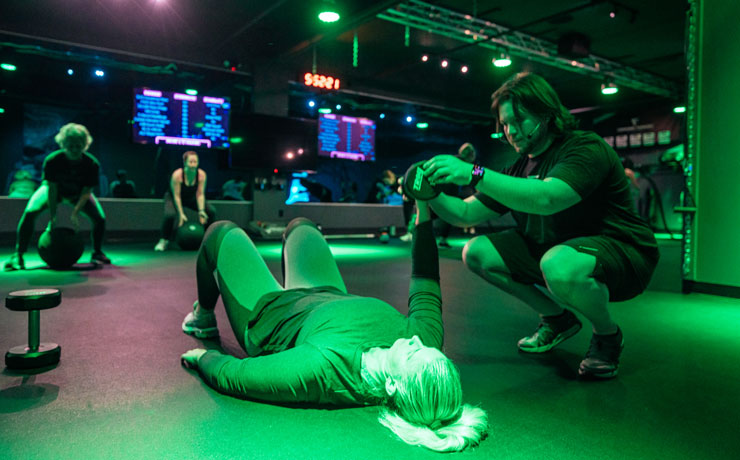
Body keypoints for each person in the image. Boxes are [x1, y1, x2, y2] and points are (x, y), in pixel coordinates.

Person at [179, 203, 488, 452]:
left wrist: (203, 358)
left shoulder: (324, 368)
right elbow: (426, 275)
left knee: (220, 232)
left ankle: (203, 315)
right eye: (430, 350)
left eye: (412, 354)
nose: (417, 342)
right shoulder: (425, 341)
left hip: (271, 311)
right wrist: (422, 207)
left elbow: (238, 376)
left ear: (393, 386)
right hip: (324, 291)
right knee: (302, 225)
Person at [421, 72, 659, 379]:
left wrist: (474, 173)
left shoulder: (584, 148)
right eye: (505, 124)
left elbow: (547, 198)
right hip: (557, 251)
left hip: (623, 251)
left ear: (546, 113)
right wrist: (428, 192)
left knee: (558, 264)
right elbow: (465, 214)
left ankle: (607, 335)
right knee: (476, 252)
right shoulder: (518, 168)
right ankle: (557, 319)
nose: (511, 131)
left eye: (519, 120)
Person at [3, 123, 111, 271]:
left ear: (85, 145)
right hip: (53, 190)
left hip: (78, 193)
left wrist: (75, 213)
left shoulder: (92, 163)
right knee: (30, 212)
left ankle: (97, 252)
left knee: (100, 218)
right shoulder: (53, 160)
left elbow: (87, 191)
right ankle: (18, 255)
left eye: (78, 146)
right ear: (63, 145)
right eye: (70, 146)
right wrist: (53, 216)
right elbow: (52, 190)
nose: (74, 150)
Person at [154, 151, 216, 251]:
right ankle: (164, 240)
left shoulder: (201, 175)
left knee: (211, 211)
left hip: (191, 197)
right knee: (170, 215)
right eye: (191, 162)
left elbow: (200, 194)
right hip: (173, 197)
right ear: (185, 162)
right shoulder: (177, 175)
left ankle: (207, 240)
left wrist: (201, 211)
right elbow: (177, 196)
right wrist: (181, 214)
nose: (193, 165)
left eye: (195, 162)